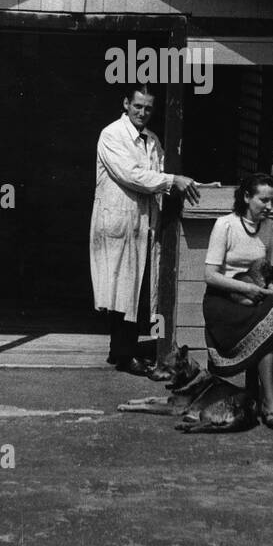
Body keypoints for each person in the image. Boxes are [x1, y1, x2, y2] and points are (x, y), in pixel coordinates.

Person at [90, 84, 199, 375]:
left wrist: (192, 185)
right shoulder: (111, 134)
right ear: (126, 103)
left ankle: (121, 352)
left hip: (142, 222)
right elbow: (131, 175)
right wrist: (173, 180)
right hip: (118, 221)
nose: (142, 112)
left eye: (148, 108)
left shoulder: (151, 139)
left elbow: (162, 172)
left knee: (135, 289)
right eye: (137, 106)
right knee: (122, 288)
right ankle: (124, 355)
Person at [202, 172, 273, 431]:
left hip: (251, 301)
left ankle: (271, 404)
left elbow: (263, 271)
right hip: (223, 305)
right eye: (263, 200)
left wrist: (267, 285)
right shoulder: (225, 226)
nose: (269, 207)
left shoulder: (270, 229)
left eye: (272, 201)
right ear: (246, 197)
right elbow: (209, 276)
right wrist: (248, 288)